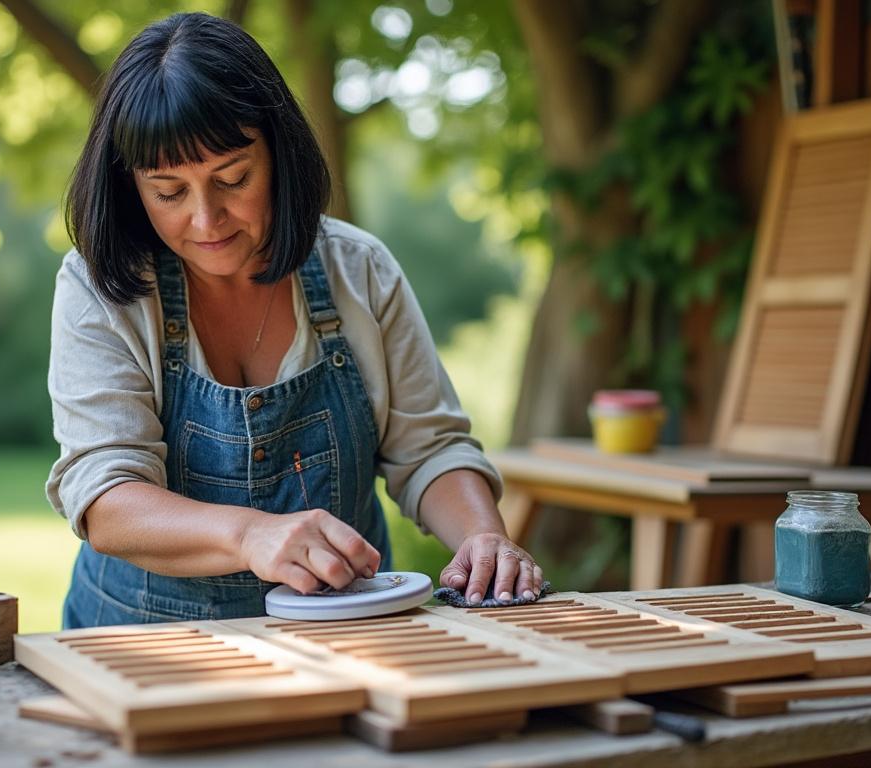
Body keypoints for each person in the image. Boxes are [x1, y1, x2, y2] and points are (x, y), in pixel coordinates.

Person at [48, 12, 543, 628]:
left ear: (278, 153)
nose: (207, 220)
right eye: (169, 192)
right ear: (131, 187)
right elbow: (106, 501)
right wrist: (252, 535)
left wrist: (483, 536)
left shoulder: (358, 271)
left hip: (346, 636)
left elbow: (430, 450)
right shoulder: (100, 287)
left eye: (232, 179)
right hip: (141, 644)